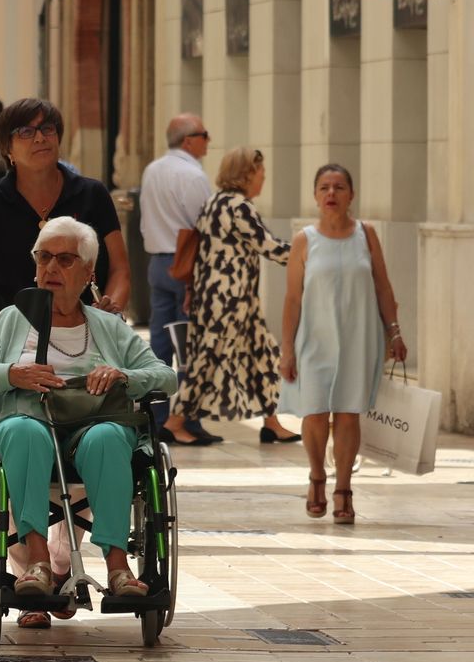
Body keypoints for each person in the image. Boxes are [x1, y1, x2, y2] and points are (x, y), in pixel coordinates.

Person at [0, 217, 176, 617]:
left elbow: (166, 376)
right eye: (44, 257)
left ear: (89, 271)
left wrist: (123, 374)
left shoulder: (108, 326)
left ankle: (118, 566)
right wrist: (9, 374)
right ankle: (38, 562)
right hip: (27, 426)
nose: (51, 267)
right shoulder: (11, 320)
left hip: (94, 426)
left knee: (107, 438)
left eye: (65, 259)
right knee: (23, 430)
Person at [280, 164, 407, 525]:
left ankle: (344, 490)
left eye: (339, 187)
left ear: (351, 195)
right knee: (316, 411)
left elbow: (383, 287)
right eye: (324, 187)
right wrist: (286, 349)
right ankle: (317, 477)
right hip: (314, 340)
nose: (331, 193)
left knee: (349, 412)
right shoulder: (304, 239)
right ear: (316, 196)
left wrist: (394, 331)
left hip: (359, 338)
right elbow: (292, 299)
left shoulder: (366, 235)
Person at [0, 97, 130, 333]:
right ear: (8, 149)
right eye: (26, 132)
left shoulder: (93, 194)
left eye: (47, 129)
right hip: (11, 336)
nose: (40, 138)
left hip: (87, 333)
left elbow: (119, 268)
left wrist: (113, 308)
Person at [174, 148, 301, 445]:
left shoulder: (213, 203)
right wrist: (308, 253)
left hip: (224, 299)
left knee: (263, 355)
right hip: (229, 302)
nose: (263, 180)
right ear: (246, 175)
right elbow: (267, 245)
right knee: (206, 361)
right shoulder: (239, 206)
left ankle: (271, 422)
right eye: (261, 174)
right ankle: (174, 421)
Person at [138, 114, 219, 445]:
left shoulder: (152, 170)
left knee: (159, 347)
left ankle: (157, 419)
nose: (207, 141)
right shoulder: (192, 175)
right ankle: (186, 422)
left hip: (158, 262)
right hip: (187, 266)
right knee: (191, 348)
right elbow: (205, 226)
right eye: (204, 134)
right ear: (188, 141)